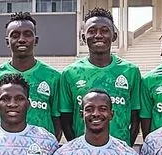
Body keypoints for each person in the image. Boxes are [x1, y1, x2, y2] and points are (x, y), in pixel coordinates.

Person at [57, 8, 142, 144]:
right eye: (92, 31)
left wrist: (126, 146)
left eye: (104, 30)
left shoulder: (130, 71)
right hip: (82, 153)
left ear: (114, 36)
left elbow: (135, 117)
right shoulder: (70, 73)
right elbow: (65, 119)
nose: (98, 35)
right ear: (83, 37)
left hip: (119, 153)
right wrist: (77, 146)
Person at [0, 12, 62, 134]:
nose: (21, 39)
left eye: (27, 34)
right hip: (4, 147)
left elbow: (57, 121)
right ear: (7, 41)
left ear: (36, 40)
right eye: (15, 35)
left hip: (42, 148)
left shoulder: (53, 77)